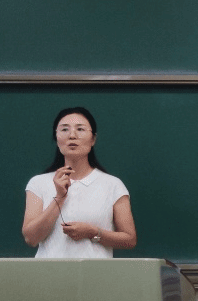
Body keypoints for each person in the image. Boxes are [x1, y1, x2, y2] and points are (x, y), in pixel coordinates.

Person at [22, 107, 137, 258]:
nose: (72, 135)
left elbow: (129, 240)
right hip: (49, 272)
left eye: (80, 129)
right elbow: (31, 238)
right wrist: (59, 198)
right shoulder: (38, 183)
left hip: (96, 272)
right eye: (64, 129)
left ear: (93, 139)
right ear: (56, 138)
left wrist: (93, 233)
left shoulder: (113, 185)